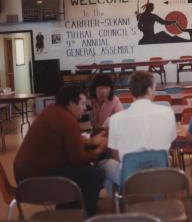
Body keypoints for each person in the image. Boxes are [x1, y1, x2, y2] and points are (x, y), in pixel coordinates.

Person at [13, 85, 107, 216]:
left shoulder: (52, 110)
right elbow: (78, 160)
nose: (85, 108)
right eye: (82, 104)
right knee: (96, 174)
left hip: (24, 177)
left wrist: (90, 142)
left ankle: (67, 210)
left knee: (84, 171)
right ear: (70, 103)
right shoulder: (68, 120)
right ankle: (84, 215)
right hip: (35, 181)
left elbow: (66, 142)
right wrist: (99, 150)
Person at [99, 71, 176, 195]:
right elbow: (169, 143)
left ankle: (120, 202)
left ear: (131, 91)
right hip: (160, 175)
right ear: (150, 89)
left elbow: (116, 154)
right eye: (155, 88)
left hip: (129, 178)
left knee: (103, 164)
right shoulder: (167, 112)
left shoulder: (115, 119)